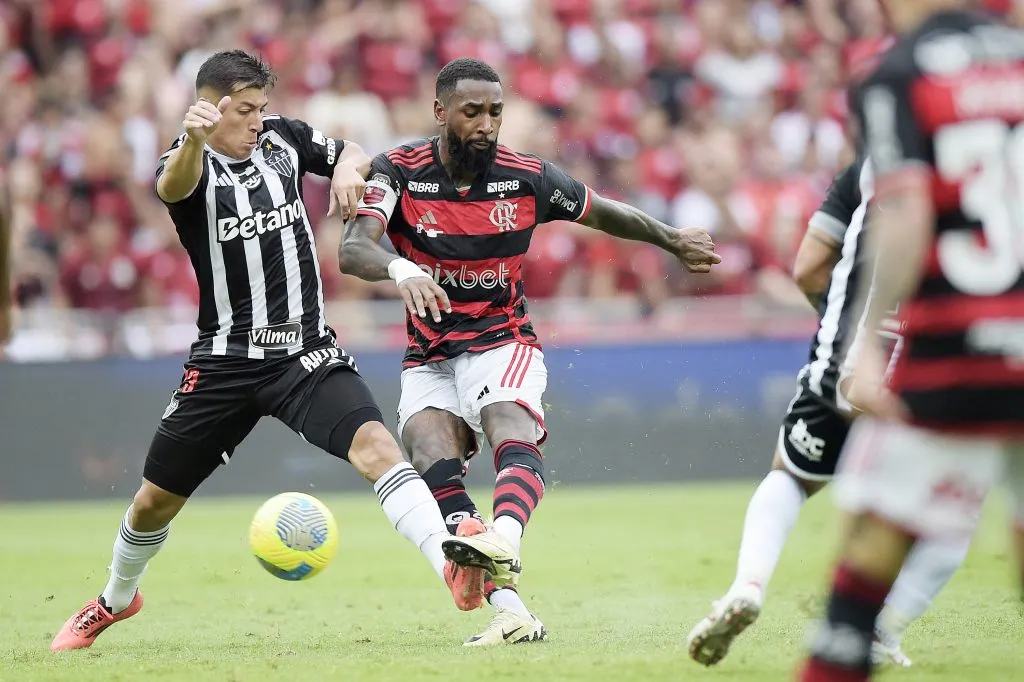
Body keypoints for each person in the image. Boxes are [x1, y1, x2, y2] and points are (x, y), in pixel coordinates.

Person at [50, 50, 512, 652]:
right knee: (150, 504)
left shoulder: (282, 141)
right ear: (211, 109)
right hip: (223, 362)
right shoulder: (188, 163)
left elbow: (347, 150)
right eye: (245, 110)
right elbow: (173, 184)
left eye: (261, 108)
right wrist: (192, 141)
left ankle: (449, 567)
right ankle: (115, 599)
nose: (257, 121)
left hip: (304, 353)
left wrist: (347, 168)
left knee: (377, 447)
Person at [339, 57, 721, 646]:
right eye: (472, 112)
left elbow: (603, 211)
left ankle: (505, 540)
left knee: (507, 425)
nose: (486, 124)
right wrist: (400, 267)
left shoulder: (527, 178)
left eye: (495, 111)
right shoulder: (399, 172)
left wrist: (670, 239)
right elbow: (352, 249)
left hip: (502, 340)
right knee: (430, 458)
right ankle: (511, 608)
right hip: (430, 353)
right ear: (440, 112)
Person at [799, 2, 1024, 680]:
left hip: (954, 354)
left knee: (865, 569)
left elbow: (906, 211)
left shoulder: (897, 74)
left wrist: (867, 343)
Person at [686, 155, 970, 668]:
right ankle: (883, 628)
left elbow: (809, 266)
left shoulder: (870, 164)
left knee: (791, 475)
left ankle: (747, 585)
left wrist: (839, 327)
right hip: (926, 366)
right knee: (952, 514)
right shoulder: (981, 166)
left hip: (843, 358)